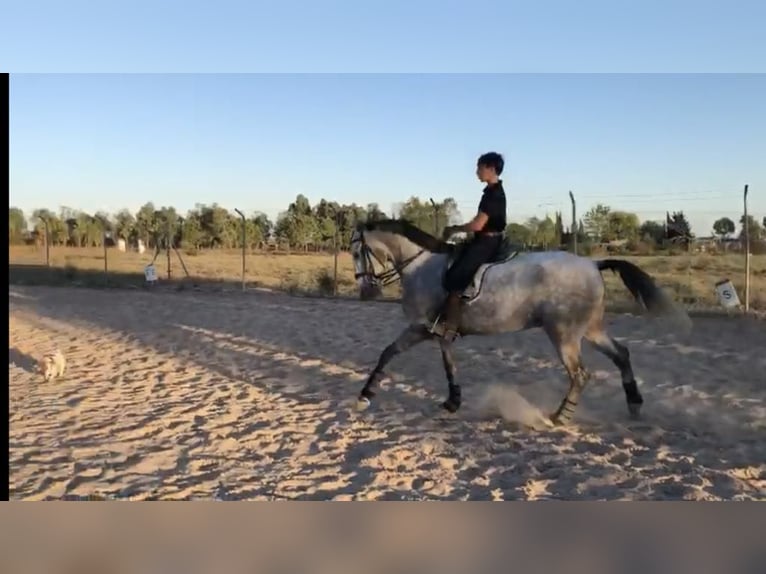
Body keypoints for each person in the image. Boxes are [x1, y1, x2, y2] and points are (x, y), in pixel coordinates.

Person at [430, 151, 507, 341]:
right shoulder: (491, 191)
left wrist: (455, 229)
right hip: (485, 238)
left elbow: (478, 225)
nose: (476, 172)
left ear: (490, 168)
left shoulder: (493, 194)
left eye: (479, 168)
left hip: (487, 242)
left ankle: (450, 326)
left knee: (456, 277)